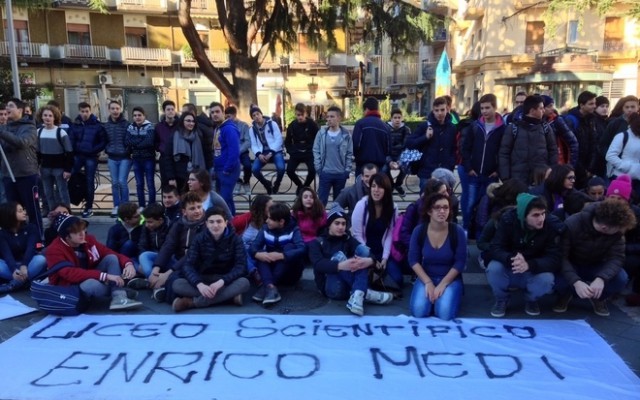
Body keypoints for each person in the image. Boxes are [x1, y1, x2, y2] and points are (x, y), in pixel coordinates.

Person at [486, 193, 564, 317]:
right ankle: (501, 299)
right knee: (493, 268)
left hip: (533, 268)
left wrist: (529, 265)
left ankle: (531, 300)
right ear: (523, 215)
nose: (541, 218)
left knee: (547, 278)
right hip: (512, 265)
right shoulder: (508, 220)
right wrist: (511, 259)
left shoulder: (550, 225)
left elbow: (554, 258)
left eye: (543, 213)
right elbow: (495, 247)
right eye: (536, 215)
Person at [554, 199, 636, 317]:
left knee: (621, 278)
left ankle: (598, 297)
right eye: (618, 229)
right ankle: (566, 294)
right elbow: (561, 257)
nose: (620, 231)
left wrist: (601, 278)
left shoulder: (617, 232)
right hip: (572, 264)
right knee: (554, 278)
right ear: (604, 227)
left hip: (596, 265)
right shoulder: (572, 224)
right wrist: (575, 282)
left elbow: (617, 258)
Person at [46, 213, 143, 310]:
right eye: (76, 232)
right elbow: (70, 274)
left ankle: (118, 296)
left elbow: (108, 252)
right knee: (91, 284)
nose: (82, 233)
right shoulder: (54, 250)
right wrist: (104, 276)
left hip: (89, 275)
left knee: (111, 258)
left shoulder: (88, 239)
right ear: (66, 236)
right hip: (70, 287)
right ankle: (120, 292)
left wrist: (128, 264)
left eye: (83, 229)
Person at [309, 206, 393, 316]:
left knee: (360, 258)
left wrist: (370, 261)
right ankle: (365, 293)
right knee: (338, 257)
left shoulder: (347, 239)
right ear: (329, 224)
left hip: (347, 286)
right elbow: (318, 264)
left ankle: (358, 295)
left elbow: (367, 253)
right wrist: (340, 265)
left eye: (343, 224)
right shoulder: (316, 242)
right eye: (337, 223)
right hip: (331, 288)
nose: (341, 227)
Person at [171, 206, 250, 311]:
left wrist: (222, 281)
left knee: (244, 283)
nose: (215, 225)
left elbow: (241, 266)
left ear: (226, 222)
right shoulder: (199, 239)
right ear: (206, 223)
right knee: (177, 284)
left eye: (219, 221)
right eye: (211, 222)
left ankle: (192, 303)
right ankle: (228, 298)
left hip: (225, 279)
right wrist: (199, 284)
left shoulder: (235, 240)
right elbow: (188, 265)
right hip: (203, 278)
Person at [408, 193, 467, 320]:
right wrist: (428, 282)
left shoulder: (457, 231)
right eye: (437, 207)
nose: (442, 211)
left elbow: (460, 262)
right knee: (418, 311)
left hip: (450, 279)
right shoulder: (419, 231)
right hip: (427, 276)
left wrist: (443, 284)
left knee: (445, 314)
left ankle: (442, 299)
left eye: (446, 207)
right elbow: (413, 260)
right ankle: (433, 300)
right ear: (429, 211)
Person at [149, 191, 207, 302]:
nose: (197, 211)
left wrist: (168, 272)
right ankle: (155, 280)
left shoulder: (206, 225)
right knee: (146, 257)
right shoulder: (179, 224)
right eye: (192, 208)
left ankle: (159, 286)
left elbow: (192, 254)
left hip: (194, 264)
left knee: (174, 280)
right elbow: (168, 246)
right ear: (184, 212)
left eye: (199, 207)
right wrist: (156, 268)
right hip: (176, 260)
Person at [0, 98, 43, 236]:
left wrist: (2, 133)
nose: (7, 108)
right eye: (7, 106)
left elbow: (21, 143)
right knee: (12, 212)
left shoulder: (29, 127)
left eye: (11, 106)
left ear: (20, 110)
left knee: (32, 210)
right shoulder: (5, 127)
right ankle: (16, 239)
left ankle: (38, 239)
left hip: (27, 175)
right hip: (9, 174)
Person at [461, 94, 505, 232]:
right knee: (470, 203)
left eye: (487, 108)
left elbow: (504, 151)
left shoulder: (502, 128)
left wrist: (498, 170)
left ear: (494, 107)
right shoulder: (475, 126)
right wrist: (468, 167)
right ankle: (466, 230)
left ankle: (483, 233)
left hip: (491, 175)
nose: (485, 111)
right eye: (482, 108)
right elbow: (465, 148)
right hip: (474, 173)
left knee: (486, 205)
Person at [249, 202, 305, 305]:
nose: (267, 220)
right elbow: (253, 247)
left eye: (270, 218)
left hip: (290, 273)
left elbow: (302, 249)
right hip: (271, 271)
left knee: (290, 247)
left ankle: (266, 287)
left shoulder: (294, 229)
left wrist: (282, 255)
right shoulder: (265, 229)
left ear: (281, 221)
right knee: (261, 253)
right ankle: (270, 287)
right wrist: (258, 254)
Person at [350, 173, 401, 287]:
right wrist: (371, 259)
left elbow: (390, 234)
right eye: (373, 186)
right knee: (368, 276)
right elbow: (357, 235)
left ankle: (376, 280)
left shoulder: (393, 208)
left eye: (380, 187)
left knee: (397, 280)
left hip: (382, 251)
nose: (376, 190)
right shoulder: (361, 205)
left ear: (386, 189)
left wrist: (384, 258)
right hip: (364, 251)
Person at [498, 94, 558, 184]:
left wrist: (551, 175)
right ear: (532, 111)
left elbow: (553, 152)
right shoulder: (513, 128)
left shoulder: (546, 128)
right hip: (517, 180)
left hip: (540, 179)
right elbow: (504, 153)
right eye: (541, 108)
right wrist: (505, 178)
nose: (543, 110)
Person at [406, 96, 458, 191]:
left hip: (445, 172)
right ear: (433, 111)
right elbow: (409, 143)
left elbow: (454, 148)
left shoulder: (452, 128)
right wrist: (425, 137)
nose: (439, 113)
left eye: (442, 110)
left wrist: (451, 164)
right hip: (427, 172)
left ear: (447, 109)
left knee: (444, 201)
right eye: (436, 110)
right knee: (426, 202)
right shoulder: (424, 126)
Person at [68, 102, 107, 218]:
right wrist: (75, 149)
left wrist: (93, 150)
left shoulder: (97, 125)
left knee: (90, 181)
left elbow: (103, 141)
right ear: (79, 112)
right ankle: (69, 203)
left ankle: (89, 207)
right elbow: (71, 139)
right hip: (78, 155)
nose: (84, 114)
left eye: (86, 111)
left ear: (90, 111)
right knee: (71, 176)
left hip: (91, 156)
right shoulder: (75, 124)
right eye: (82, 111)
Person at [0, 202, 47, 294]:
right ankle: (24, 282)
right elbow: (6, 254)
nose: (24, 212)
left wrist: (24, 265)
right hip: (10, 267)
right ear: (10, 214)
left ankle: (13, 284)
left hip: (29, 265)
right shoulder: (2, 234)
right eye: (20, 211)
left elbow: (31, 248)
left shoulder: (31, 228)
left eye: (23, 210)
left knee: (41, 259)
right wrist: (13, 269)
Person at [312, 105, 353, 205]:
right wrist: (318, 168)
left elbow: (349, 153)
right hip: (325, 173)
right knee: (321, 202)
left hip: (340, 174)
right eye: (328, 117)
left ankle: (335, 220)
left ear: (339, 118)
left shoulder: (346, 135)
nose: (329, 119)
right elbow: (316, 150)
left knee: (338, 203)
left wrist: (347, 170)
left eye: (332, 117)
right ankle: (321, 220)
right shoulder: (321, 134)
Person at [36, 104, 73, 212]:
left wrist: (67, 169)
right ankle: (53, 212)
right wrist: (37, 166)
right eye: (45, 115)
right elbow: (37, 152)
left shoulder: (60, 132)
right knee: (48, 192)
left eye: (50, 115)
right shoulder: (39, 132)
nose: (47, 118)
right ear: (41, 117)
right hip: (45, 167)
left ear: (55, 117)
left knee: (62, 192)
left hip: (59, 168)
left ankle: (66, 212)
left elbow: (69, 152)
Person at [130, 202, 170, 289]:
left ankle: (150, 282)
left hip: (165, 258)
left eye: (150, 222)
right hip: (152, 256)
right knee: (132, 260)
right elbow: (142, 245)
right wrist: (142, 263)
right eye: (146, 221)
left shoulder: (170, 226)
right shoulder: (146, 227)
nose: (147, 224)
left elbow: (167, 250)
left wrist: (146, 263)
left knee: (144, 257)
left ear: (160, 220)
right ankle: (154, 280)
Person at [564, 91, 598, 189]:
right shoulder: (571, 120)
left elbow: (593, 143)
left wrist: (590, 167)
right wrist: (581, 169)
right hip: (575, 167)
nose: (594, 106)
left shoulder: (591, 119)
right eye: (591, 104)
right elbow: (570, 147)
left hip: (587, 167)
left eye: (594, 103)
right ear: (581, 105)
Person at [212, 103, 241, 215]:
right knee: (226, 200)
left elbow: (234, 151)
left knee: (223, 200)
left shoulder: (229, 129)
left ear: (223, 113)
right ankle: (233, 222)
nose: (215, 114)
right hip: (219, 169)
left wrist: (227, 169)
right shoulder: (218, 128)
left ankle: (230, 225)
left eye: (217, 112)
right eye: (212, 112)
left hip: (228, 170)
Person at [103, 100, 131, 217]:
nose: (115, 111)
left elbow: (129, 140)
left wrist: (127, 150)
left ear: (120, 110)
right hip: (112, 157)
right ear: (109, 110)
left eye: (117, 108)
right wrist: (106, 149)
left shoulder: (126, 124)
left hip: (124, 157)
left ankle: (125, 206)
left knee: (122, 182)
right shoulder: (106, 125)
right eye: (113, 108)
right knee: (114, 183)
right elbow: (104, 139)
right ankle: (116, 206)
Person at [249, 105, 285, 194]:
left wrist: (271, 153)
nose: (256, 117)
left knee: (281, 168)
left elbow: (279, 139)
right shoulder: (252, 129)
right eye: (254, 115)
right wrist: (258, 154)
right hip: (262, 153)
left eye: (257, 114)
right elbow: (253, 144)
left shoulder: (272, 124)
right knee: (254, 169)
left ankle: (277, 183)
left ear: (261, 114)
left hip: (275, 151)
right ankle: (267, 184)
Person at [285, 103, 319, 195]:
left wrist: (312, 149)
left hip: (309, 152)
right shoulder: (292, 125)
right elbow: (287, 141)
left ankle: (306, 186)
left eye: (301, 115)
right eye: (297, 115)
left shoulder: (312, 124)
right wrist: (291, 151)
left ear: (306, 114)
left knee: (312, 170)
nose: (300, 117)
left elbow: (318, 139)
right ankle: (300, 185)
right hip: (296, 152)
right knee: (289, 170)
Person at [351, 97, 391, 175]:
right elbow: (388, 149)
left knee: (361, 185)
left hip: (362, 163)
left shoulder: (360, 124)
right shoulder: (386, 127)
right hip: (379, 164)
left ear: (366, 109)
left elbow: (355, 144)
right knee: (376, 185)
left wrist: (357, 157)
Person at [126, 106, 156, 208]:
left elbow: (149, 142)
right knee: (139, 184)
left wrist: (135, 143)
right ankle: (142, 206)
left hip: (148, 158)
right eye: (135, 115)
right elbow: (127, 141)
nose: (137, 117)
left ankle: (151, 206)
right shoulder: (130, 127)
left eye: (139, 115)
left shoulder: (150, 126)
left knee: (150, 183)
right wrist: (141, 141)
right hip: (136, 159)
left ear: (144, 116)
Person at [605, 112, 640, 196]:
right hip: (621, 176)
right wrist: (625, 166)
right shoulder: (622, 136)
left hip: (637, 179)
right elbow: (610, 155)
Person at [541, 95, 578, 168]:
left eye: (552, 105)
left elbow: (573, 142)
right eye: (549, 106)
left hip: (557, 164)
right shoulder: (536, 123)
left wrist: (570, 166)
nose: (552, 109)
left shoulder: (557, 121)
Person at [242, 195, 272, 282]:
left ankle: (254, 271)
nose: (273, 209)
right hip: (243, 256)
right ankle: (253, 271)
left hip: (260, 255)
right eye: (270, 207)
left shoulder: (272, 222)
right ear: (261, 208)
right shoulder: (246, 220)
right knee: (239, 247)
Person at [225, 106, 252, 195]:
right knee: (230, 166)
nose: (227, 119)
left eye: (229, 116)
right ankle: (238, 181)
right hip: (230, 153)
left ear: (234, 115)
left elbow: (248, 141)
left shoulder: (244, 125)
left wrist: (238, 151)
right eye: (226, 117)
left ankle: (246, 182)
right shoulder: (226, 126)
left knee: (248, 166)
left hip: (242, 152)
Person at [385, 109, 411, 196]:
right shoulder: (386, 128)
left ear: (402, 118)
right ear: (391, 119)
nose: (397, 120)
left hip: (401, 155)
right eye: (395, 118)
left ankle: (398, 185)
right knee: (385, 169)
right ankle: (390, 186)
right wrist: (390, 162)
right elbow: (384, 148)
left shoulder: (406, 130)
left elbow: (406, 147)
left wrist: (399, 162)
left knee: (405, 167)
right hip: (388, 155)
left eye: (399, 117)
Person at [155, 100, 180, 188]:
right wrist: (161, 148)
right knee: (166, 185)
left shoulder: (180, 125)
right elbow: (156, 141)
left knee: (179, 185)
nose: (170, 111)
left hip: (178, 158)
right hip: (165, 159)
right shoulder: (159, 126)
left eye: (172, 109)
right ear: (164, 111)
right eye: (168, 109)